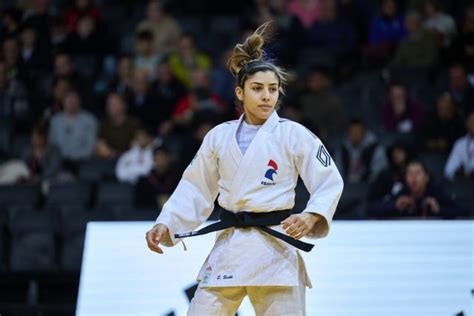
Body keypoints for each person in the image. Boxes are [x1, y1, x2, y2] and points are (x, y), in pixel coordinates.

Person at [145, 23, 344, 315]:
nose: (266, 96)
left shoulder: (294, 134)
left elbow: (329, 181)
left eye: (273, 89)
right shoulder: (219, 136)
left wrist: (312, 215)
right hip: (231, 246)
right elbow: (195, 187)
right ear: (240, 92)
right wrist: (168, 223)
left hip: (276, 247)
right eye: (257, 88)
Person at [444, 111, 474, 180]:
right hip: (466, 185)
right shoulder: (460, 143)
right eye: (472, 121)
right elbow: (449, 171)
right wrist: (461, 173)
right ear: (467, 123)